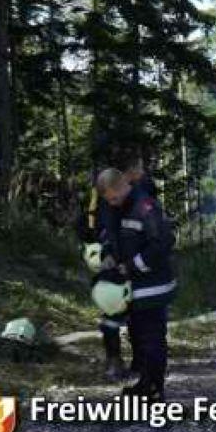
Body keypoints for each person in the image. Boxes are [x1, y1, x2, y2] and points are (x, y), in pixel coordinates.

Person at [97, 168, 177, 400]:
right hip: (132, 287)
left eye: (114, 198)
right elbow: (109, 237)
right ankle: (145, 383)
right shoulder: (116, 209)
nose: (112, 203)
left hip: (153, 286)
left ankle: (155, 389)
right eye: (109, 200)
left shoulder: (145, 207)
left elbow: (163, 243)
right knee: (139, 337)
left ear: (122, 186)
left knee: (152, 339)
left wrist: (132, 265)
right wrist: (108, 255)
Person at [77, 171, 131, 380]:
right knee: (115, 312)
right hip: (115, 262)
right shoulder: (112, 198)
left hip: (113, 261)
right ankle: (115, 361)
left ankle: (116, 361)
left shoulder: (99, 198)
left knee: (116, 314)